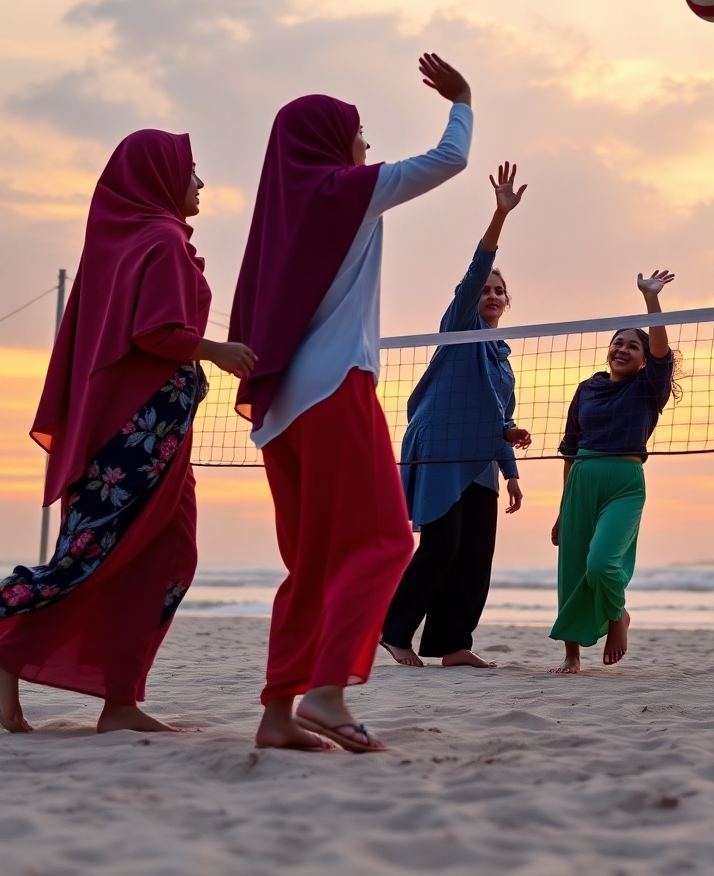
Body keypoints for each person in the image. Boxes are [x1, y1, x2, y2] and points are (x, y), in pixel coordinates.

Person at [229, 54, 473, 753]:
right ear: (333, 141)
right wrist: (462, 99)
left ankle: (278, 715)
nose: (367, 144)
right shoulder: (351, 189)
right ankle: (326, 693)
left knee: (309, 564)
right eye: (359, 132)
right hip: (337, 386)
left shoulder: (276, 217)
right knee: (387, 541)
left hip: (280, 408)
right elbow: (451, 158)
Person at [0, 130, 256, 735]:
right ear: (162, 177)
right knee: (90, 559)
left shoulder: (129, 240)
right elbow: (153, 333)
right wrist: (216, 349)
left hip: (151, 429)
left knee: (164, 555)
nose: (199, 183)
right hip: (137, 435)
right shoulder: (161, 239)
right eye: (191, 172)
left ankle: (120, 702)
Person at [381, 162, 532, 670]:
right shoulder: (459, 326)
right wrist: (500, 215)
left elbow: (498, 418)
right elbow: (475, 271)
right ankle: (395, 631)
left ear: (507, 302)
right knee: (442, 547)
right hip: (441, 450)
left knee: (475, 557)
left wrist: (511, 470)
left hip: (481, 461)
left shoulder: (503, 359)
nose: (491, 294)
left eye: (499, 290)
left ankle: (451, 643)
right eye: (486, 289)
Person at [549, 270, 678, 674]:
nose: (623, 349)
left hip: (624, 484)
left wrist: (650, 300)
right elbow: (569, 449)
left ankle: (618, 619)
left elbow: (661, 352)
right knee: (572, 569)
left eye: (633, 346)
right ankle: (571, 656)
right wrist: (561, 507)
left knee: (601, 563)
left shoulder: (647, 389)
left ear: (643, 358)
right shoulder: (587, 388)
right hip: (581, 481)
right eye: (618, 343)